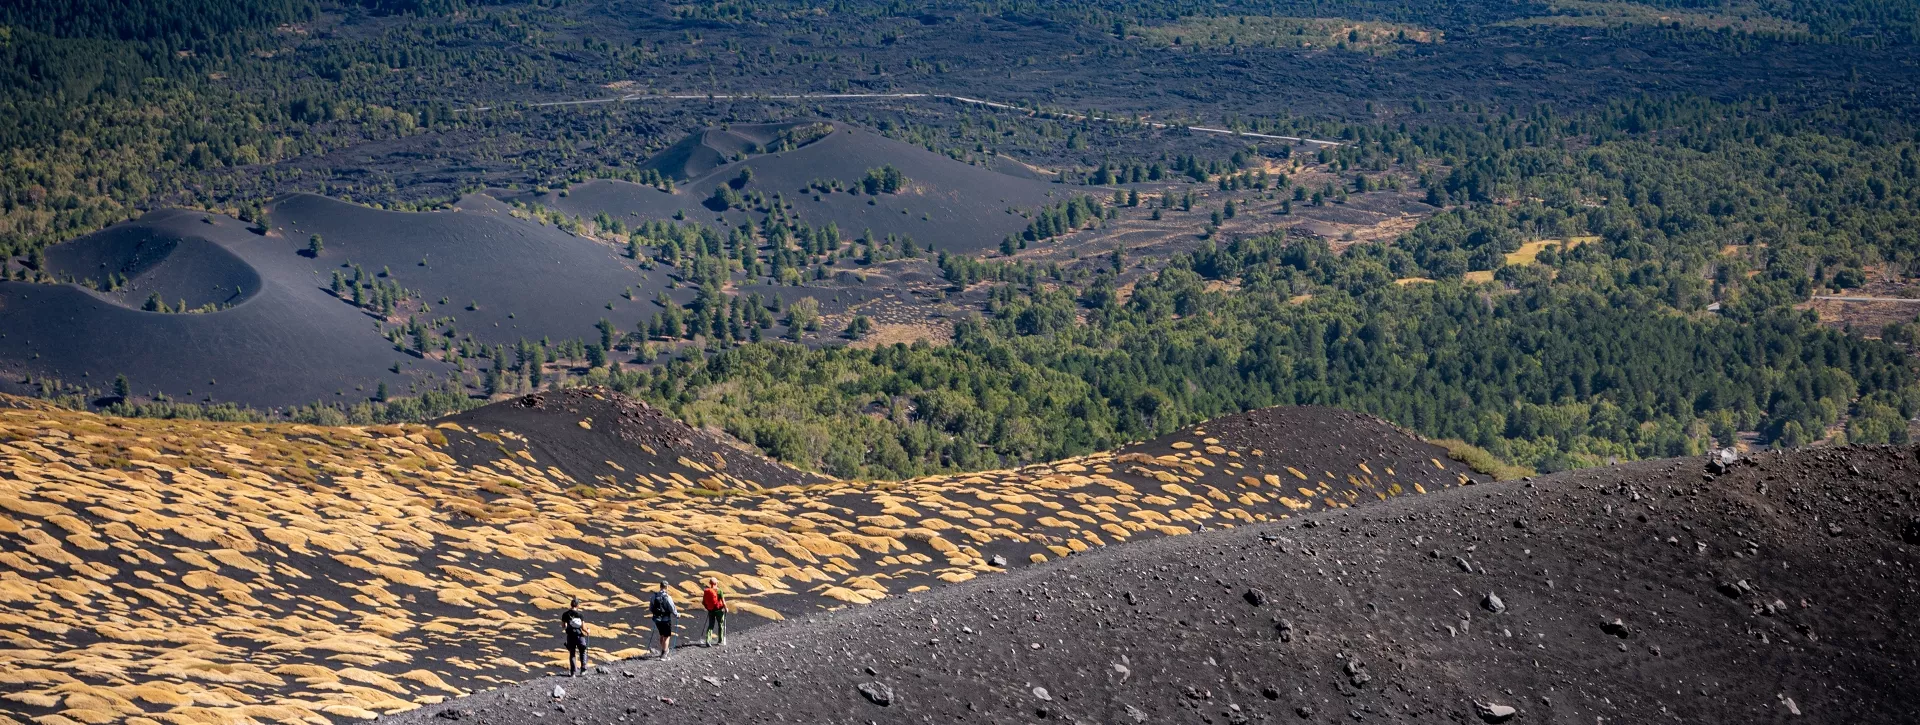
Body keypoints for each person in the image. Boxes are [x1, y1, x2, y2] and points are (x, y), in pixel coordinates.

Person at [561, 598, 590, 676]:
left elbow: (563, 626)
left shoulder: (565, 614)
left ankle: (573, 672)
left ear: (571, 604)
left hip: (570, 636)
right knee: (583, 651)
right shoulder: (580, 615)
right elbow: (583, 627)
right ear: (578, 605)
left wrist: (567, 626)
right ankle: (583, 670)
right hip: (579, 636)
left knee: (572, 654)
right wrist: (588, 631)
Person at [649, 581, 678, 658]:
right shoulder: (667, 597)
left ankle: (663, 650)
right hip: (666, 620)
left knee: (661, 635)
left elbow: (651, 608)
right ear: (667, 587)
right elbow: (672, 608)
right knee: (667, 636)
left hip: (657, 620)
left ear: (660, 586)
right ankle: (664, 654)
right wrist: (677, 615)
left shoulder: (654, 596)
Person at [701, 578, 728, 647]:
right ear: (716, 583)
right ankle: (720, 640)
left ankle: (708, 640)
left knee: (710, 625)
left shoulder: (707, 591)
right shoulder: (719, 591)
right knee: (721, 625)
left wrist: (708, 608)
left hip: (711, 611)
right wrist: (726, 608)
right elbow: (723, 602)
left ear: (710, 583)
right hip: (719, 611)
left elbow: (703, 602)